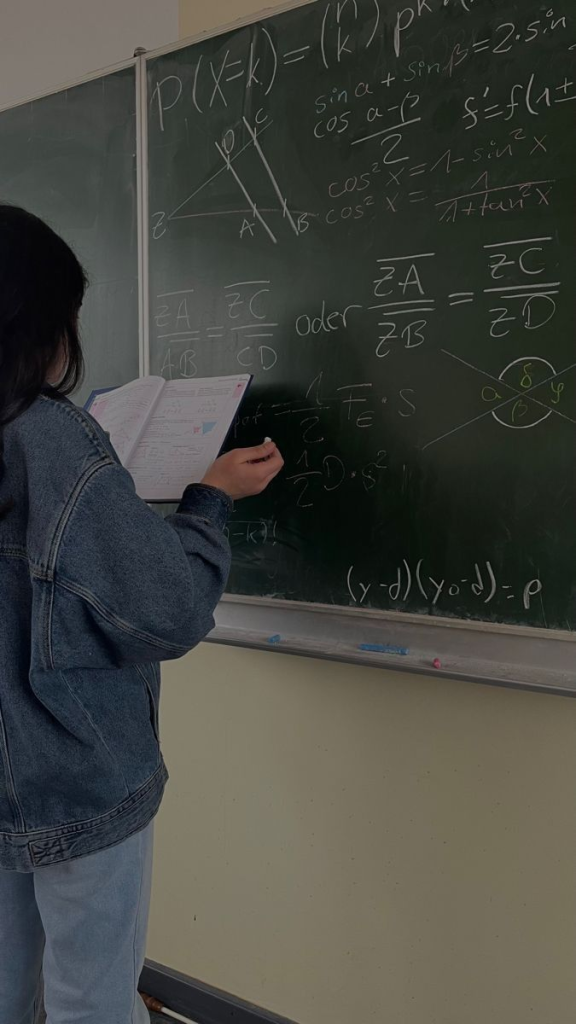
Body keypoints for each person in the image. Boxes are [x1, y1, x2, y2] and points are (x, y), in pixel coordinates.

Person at [0, 204, 283, 1024]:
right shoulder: (56, 439)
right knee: (93, 1000)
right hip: (77, 776)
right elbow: (168, 609)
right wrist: (209, 500)